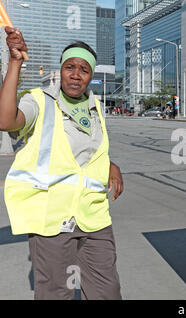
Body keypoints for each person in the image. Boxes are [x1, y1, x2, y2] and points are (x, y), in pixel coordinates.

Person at [0, 27, 123, 300]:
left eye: (84, 69)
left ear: (91, 76)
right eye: (70, 67)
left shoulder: (96, 107)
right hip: (52, 220)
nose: (76, 74)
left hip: (94, 216)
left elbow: (88, 152)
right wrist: (15, 62)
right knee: (57, 293)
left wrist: (110, 164)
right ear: (61, 69)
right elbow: (6, 121)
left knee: (108, 292)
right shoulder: (40, 101)